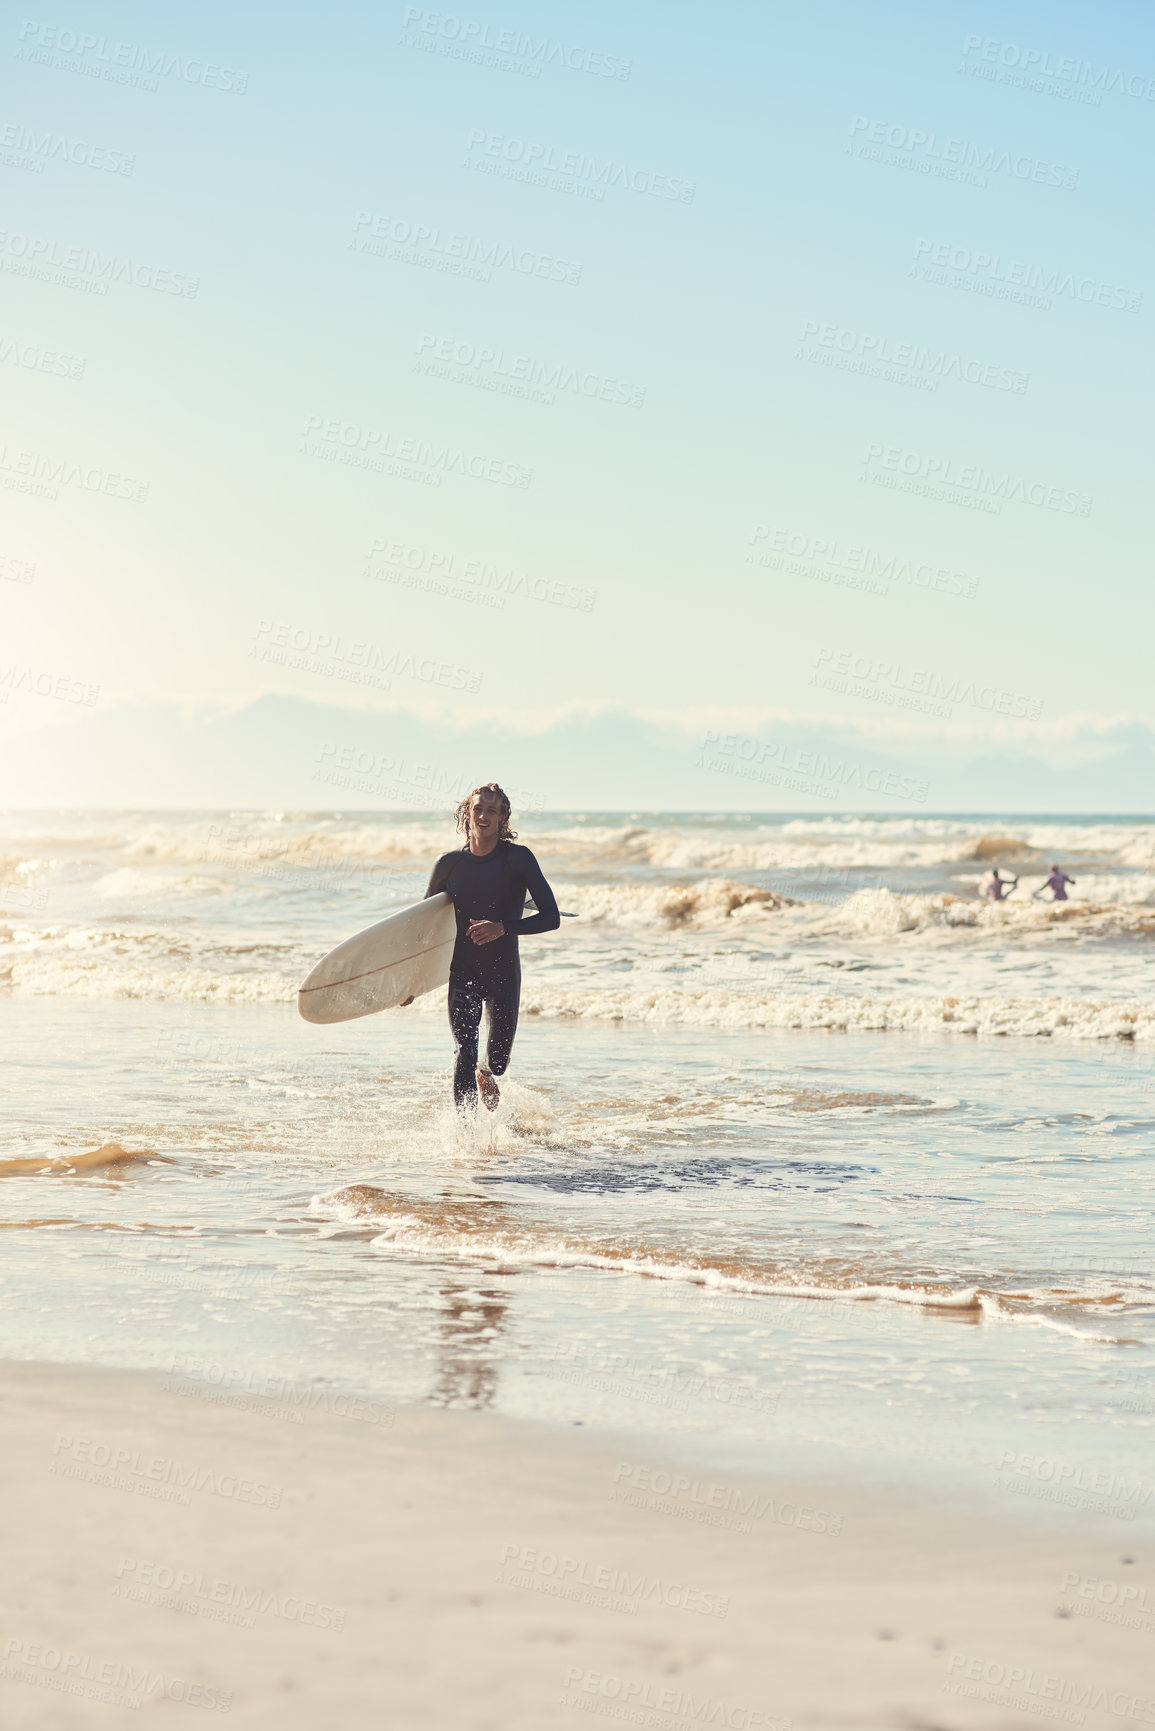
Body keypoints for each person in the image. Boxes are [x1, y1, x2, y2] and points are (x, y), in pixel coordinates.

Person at [425, 783, 560, 1113]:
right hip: (463, 972)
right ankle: (467, 1137)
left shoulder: (518, 859)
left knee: (496, 1062)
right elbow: (426, 930)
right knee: (464, 1051)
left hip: (503, 974)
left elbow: (551, 917)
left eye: (492, 810)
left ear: (502, 818)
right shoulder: (449, 865)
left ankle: (485, 1073)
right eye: (478, 809)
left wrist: (503, 928)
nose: (483, 815)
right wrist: (410, 983)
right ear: (466, 813)